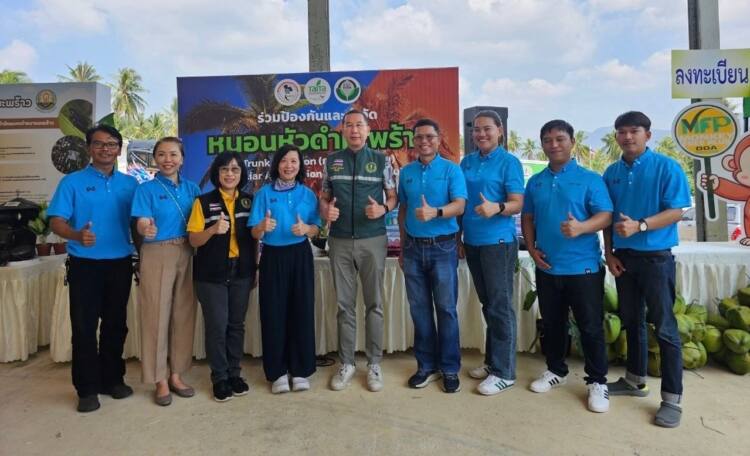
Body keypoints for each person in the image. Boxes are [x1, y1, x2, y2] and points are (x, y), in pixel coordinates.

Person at [602, 111, 691, 428]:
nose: (627, 137)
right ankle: (634, 379)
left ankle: (672, 400)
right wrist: (609, 253)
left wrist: (640, 225)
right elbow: (607, 217)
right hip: (624, 258)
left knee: (664, 327)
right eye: (622, 132)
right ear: (616, 137)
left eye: (634, 131)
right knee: (632, 321)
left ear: (647, 135)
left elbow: (677, 211)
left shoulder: (667, 167)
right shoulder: (611, 172)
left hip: (656, 258)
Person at [521, 120, 613, 413]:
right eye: (547, 140)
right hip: (548, 267)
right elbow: (527, 217)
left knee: (590, 327)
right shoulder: (535, 182)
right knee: (552, 323)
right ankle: (556, 370)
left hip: (583, 268)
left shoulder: (590, 179)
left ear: (572, 142)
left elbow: (606, 215)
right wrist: (532, 249)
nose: (554, 145)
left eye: (560, 139)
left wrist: (582, 227)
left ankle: (597, 381)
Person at [48, 124, 138, 413]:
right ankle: (86, 389)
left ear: (119, 149)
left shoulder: (130, 184)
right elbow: (56, 221)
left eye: (111, 144)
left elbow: (138, 223)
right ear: (89, 148)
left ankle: (112, 380)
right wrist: (76, 235)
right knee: (84, 327)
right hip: (85, 266)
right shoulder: (72, 183)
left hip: (120, 264)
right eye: (99, 144)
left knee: (116, 325)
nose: (105, 149)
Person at [319, 109, 397, 392]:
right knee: (344, 306)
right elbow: (324, 197)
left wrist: (383, 208)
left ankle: (374, 364)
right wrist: (326, 210)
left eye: (359, 125)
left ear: (368, 130)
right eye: (349, 125)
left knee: (374, 304)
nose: (354, 130)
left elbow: (393, 196)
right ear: (342, 130)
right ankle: (347, 363)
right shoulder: (332, 161)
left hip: (372, 239)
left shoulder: (381, 160)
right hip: (339, 241)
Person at [397, 118, 466, 393]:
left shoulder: (451, 170)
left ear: (439, 139)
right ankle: (426, 366)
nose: (424, 142)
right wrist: (403, 246)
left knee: (446, 310)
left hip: (443, 248)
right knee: (419, 310)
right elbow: (403, 209)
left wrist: (435, 212)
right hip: (413, 249)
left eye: (429, 136)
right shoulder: (406, 172)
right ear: (413, 141)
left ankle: (449, 369)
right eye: (419, 137)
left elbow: (460, 206)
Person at [130, 137, 200, 406]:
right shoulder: (146, 189)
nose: (167, 159)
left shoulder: (193, 188)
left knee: (183, 314)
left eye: (173, 154)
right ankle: (158, 379)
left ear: (182, 159)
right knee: (156, 315)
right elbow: (142, 220)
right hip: (157, 251)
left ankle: (176, 374)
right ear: (155, 158)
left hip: (188, 251)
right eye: (161, 154)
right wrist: (145, 227)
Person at [459, 110, 524, 395]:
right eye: (477, 129)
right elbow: (460, 201)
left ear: (500, 131)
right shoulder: (467, 162)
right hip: (472, 242)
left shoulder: (509, 162)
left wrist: (496, 207)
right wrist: (459, 237)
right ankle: (492, 362)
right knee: (488, 304)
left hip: (498, 243)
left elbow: (517, 203)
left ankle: (504, 372)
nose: (481, 134)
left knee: (500, 306)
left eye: (487, 128)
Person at [249, 145, 320, 394]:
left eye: (294, 161)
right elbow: (253, 232)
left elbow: (316, 228)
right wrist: (261, 227)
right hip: (272, 256)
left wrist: (307, 230)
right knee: (273, 313)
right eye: (284, 161)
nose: (289, 166)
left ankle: (300, 370)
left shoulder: (308, 194)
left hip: (300, 255)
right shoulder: (263, 194)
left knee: (302, 310)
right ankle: (277, 372)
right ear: (276, 164)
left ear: (300, 166)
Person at [187, 151, 257, 402]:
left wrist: (255, 269)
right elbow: (193, 239)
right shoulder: (203, 202)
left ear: (241, 174)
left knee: (236, 325)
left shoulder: (249, 201)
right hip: (211, 274)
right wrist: (213, 229)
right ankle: (219, 377)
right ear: (217, 173)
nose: (229, 174)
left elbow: (254, 240)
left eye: (235, 169)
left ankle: (234, 374)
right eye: (224, 169)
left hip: (242, 271)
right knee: (217, 325)